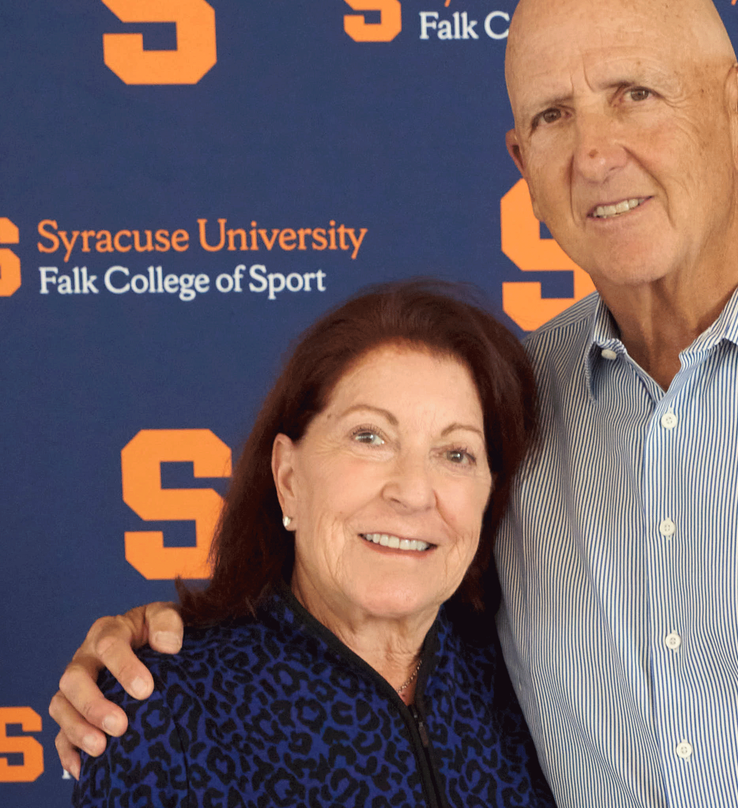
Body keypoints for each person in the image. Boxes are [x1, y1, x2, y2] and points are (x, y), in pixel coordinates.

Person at [53, 0, 738, 808]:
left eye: (635, 94)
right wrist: (158, 654)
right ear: (519, 162)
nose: (595, 153)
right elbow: (374, 596)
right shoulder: (508, 402)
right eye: (551, 116)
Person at [69, 282, 555, 806]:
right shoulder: (168, 711)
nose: (413, 491)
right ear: (289, 477)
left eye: (456, 454)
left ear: (490, 493)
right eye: (369, 437)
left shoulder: (534, 684)